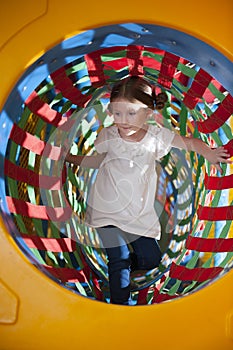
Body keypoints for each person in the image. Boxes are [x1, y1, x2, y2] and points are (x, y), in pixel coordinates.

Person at [65, 76, 231, 305]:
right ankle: (118, 306)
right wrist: (72, 158)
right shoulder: (108, 137)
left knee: (151, 259)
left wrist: (209, 153)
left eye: (131, 113)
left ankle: (123, 275)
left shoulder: (156, 137)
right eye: (117, 113)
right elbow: (99, 161)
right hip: (106, 211)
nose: (123, 121)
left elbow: (190, 142)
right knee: (119, 259)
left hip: (138, 214)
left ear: (149, 113)